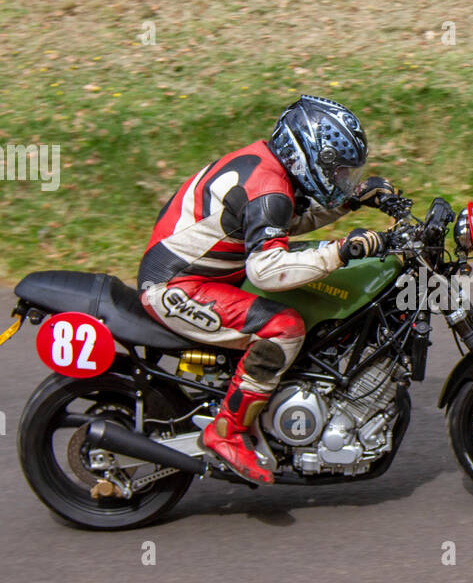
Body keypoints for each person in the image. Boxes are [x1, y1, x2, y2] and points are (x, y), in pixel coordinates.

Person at [137, 95, 393, 484]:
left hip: (208, 275)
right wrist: (342, 251)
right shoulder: (269, 189)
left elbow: (282, 224)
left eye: (347, 175)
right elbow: (266, 271)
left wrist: (348, 203)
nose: (341, 180)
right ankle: (228, 431)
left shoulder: (268, 168)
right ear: (306, 153)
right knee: (284, 327)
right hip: (177, 286)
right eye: (337, 172)